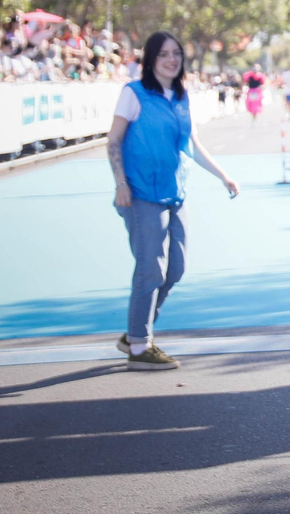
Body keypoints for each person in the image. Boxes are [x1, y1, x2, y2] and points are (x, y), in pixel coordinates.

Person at [105, 31, 240, 371]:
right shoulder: (133, 94)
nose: (171, 59)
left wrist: (223, 175)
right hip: (140, 194)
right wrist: (120, 183)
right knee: (151, 268)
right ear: (151, 59)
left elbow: (191, 145)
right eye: (164, 53)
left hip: (175, 193)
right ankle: (139, 347)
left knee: (175, 269)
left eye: (176, 53)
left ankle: (134, 332)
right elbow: (113, 141)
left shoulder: (181, 96)